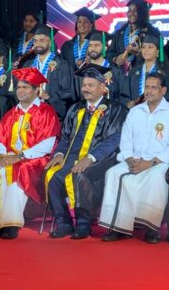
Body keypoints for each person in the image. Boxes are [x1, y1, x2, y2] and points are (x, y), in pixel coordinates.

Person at [44, 63, 126, 239]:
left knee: (79, 176)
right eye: (84, 85)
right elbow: (65, 137)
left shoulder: (115, 109)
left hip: (101, 160)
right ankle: (64, 223)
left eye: (90, 85)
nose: (85, 89)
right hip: (72, 157)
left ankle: (83, 224)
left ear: (102, 87)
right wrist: (59, 154)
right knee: (52, 176)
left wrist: (91, 157)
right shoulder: (76, 108)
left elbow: (114, 139)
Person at [0, 68, 61, 238]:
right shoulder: (12, 113)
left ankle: (11, 224)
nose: (20, 91)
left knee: (18, 170)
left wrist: (21, 156)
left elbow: (47, 145)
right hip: (10, 157)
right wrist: (1, 155)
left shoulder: (46, 112)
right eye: (19, 87)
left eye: (25, 87)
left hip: (36, 159)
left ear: (37, 90)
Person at [98, 71, 169, 242]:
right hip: (134, 159)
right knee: (113, 173)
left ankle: (151, 228)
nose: (149, 91)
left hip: (158, 162)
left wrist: (149, 163)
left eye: (154, 87)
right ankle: (117, 226)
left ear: (163, 90)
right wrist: (129, 160)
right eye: (146, 87)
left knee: (156, 177)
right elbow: (125, 140)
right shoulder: (135, 111)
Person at [49, 29, 109, 117]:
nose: (93, 48)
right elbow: (72, 99)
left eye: (96, 45)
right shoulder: (80, 75)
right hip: (83, 117)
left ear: (105, 48)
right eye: (90, 45)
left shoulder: (115, 73)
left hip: (109, 116)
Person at [112, 29, 168, 107]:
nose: (146, 50)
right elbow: (124, 95)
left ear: (158, 51)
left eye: (150, 47)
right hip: (137, 111)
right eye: (143, 47)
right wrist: (129, 103)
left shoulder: (167, 71)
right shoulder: (133, 72)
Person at [107, 0, 153, 70]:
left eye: (135, 11)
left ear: (142, 13)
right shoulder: (119, 33)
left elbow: (156, 57)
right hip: (121, 75)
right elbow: (110, 54)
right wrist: (115, 59)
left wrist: (138, 53)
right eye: (129, 10)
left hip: (142, 73)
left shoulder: (151, 33)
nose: (131, 13)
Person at [22, 25, 60, 94]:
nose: (38, 44)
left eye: (42, 40)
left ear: (50, 42)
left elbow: (67, 93)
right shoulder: (27, 65)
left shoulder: (61, 65)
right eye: (35, 41)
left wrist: (48, 97)